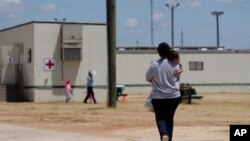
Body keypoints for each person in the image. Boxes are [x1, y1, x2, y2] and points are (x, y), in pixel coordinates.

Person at [145, 42, 182, 141]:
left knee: (160, 117)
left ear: (158, 52)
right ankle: (169, 138)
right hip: (174, 96)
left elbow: (148, 79)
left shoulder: (154, 65)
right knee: (170, 118)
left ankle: (163, 134)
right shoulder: (176, 65)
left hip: (159, 97)